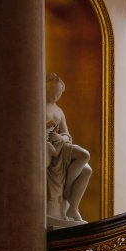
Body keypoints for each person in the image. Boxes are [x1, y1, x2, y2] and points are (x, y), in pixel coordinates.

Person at [45, 72, 91, 227]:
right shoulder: (38, 106)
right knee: (84, 160)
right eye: (52, 93)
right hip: (48, 147)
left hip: (61, 145)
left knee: (86, 167)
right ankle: (69, 193)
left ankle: (72, 206)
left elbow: (67, 135)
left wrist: (61, 138)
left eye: (58, 94)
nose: (55, 96)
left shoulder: (59, 111)